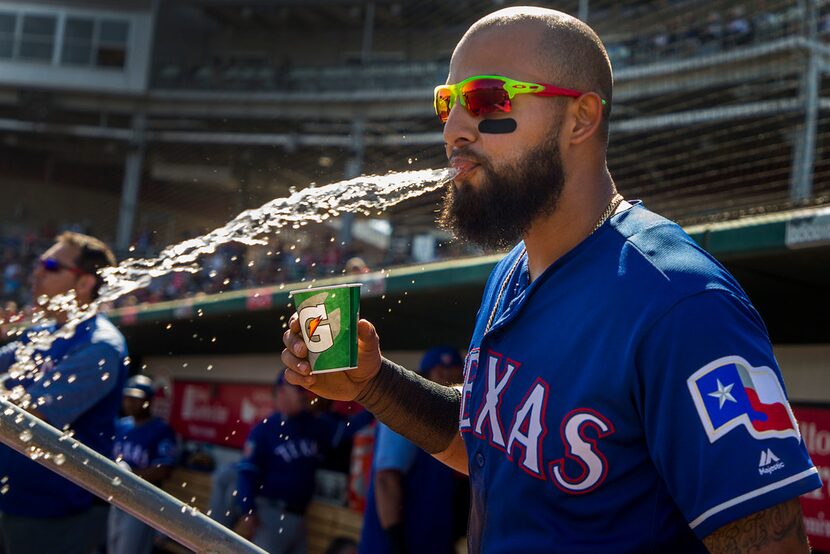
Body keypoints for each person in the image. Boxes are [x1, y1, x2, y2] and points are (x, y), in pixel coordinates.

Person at [281, 7, 822, 553]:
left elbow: (773, 545)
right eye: (447, 103)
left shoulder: (680, 303)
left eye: (487, 99)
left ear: (580, 119)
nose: (452, 130)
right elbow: (485, 446)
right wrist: (372, 383)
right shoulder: (510, 271)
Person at [0, 232, 128, 554]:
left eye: (51, 265)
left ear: (84, 284)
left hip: (58, 516)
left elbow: (28, 414)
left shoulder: (100, 346)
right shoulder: (43, 334)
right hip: (15, 503)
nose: (37, 272)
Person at [359, 346, 467, 554]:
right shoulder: (407, 410)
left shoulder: (456, 421)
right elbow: (386, 480)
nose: (447, 375)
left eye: (454, 370)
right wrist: (395, 541)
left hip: (430, 541)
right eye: (440, 370)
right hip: (398, 543)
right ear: (426, 375)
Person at [234, 372, 338, 554]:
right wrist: (247, 509)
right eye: (298, 389)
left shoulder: (314, 425)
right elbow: (247, 473)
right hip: (271, 514)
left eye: (305, 389)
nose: (304, 394)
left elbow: (345, 430)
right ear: (282, 392)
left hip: (301, 517)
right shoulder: (265, 429)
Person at [108, 374, 177, 554]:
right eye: (128, 398)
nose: (130, 403)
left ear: (149, 401)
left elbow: (163, 470)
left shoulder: (161, 430)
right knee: (113, 548)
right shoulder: (121, 425)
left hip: (143, 501)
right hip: (117, 497)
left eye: (136, 399)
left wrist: (127, 476)